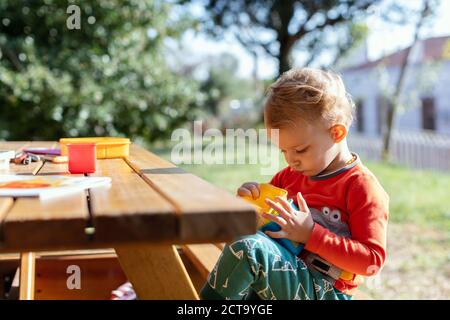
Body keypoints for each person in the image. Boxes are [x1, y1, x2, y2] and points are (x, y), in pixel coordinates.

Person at [200, 68, 389, 300]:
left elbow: (371, 262)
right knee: (246, 249)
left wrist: (311, 234)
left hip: (327, 291)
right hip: (281, 280)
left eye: (300, 149)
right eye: (283, 151)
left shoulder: (361, 187)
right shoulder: (287, 178)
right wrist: (250, 207)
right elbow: (261, 229)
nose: (291, 160)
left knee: (248, 251)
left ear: (337, 133)